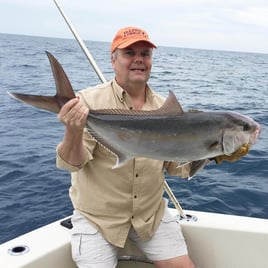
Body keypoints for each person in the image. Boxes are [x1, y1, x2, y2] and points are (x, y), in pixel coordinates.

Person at [56, 26, 249, 268]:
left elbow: (176, 167)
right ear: (113, 60)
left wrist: (214, 155)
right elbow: (72, 163)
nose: (139, 59)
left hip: (150, 217)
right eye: (129, 52)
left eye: (145, 54)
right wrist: (73, 129)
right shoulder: (87, 102)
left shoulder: (165, 109)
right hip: (97, 219)